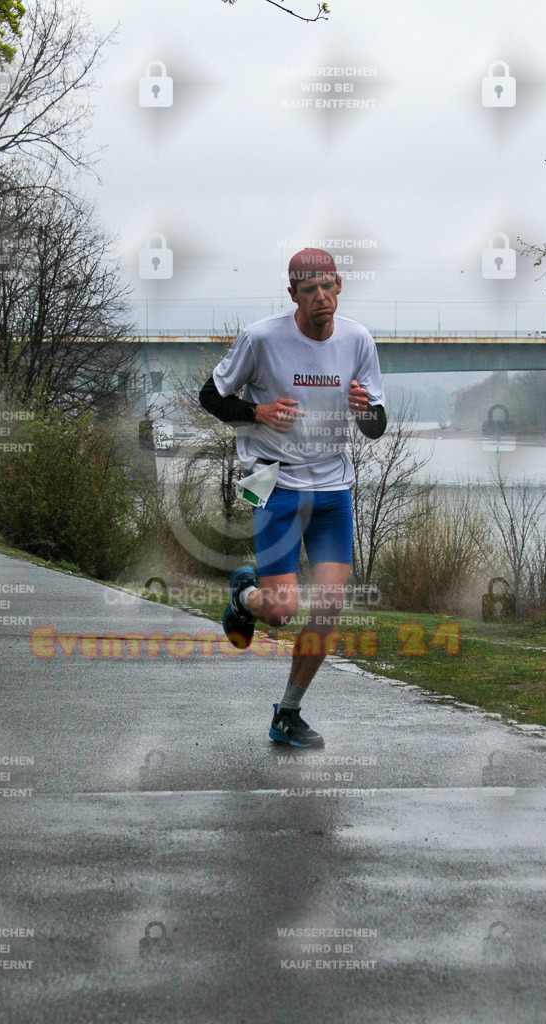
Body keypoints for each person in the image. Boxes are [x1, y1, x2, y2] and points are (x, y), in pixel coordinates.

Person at [199, 248, 387, 748]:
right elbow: (210, 397)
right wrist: (257, 413)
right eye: (309, 290)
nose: (320, 297)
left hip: (332, 487)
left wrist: (365, 411)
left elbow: (376, 426)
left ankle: (288, 713)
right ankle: (244, 597)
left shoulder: (358, 340)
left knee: (328, 608)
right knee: (281, 612)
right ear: (293, 295)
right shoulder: (261, 338)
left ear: (339, 285)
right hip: (270, 480)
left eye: (327, 286)